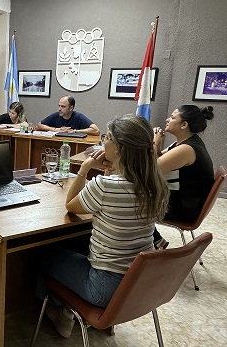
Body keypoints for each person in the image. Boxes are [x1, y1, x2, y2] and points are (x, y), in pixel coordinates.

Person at [36, 114, 169, 338]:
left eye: (107, 137)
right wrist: (113, 170)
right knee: (78, 243)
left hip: (104, 288)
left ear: (118, 148)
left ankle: (59, 313)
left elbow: (71, 205)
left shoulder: (105, 186)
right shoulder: (155, 185)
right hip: (138, 285)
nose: (103, 140)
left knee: (46, 254)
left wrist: (85, 168)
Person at [152, 105, 215, 249]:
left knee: (133, 201)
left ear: (184, 124)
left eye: (173, 117)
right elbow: (161, 159)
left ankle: (153, 240)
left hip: (183, 209)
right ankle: (156, 239)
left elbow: (153, 168)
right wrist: (158, 143)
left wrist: (155, 142)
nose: (168, 120)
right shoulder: (186, 142)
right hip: (187, 202)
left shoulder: (187, 149)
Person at [35, 96, 100, 135]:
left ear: (71, 108)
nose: (59, 109)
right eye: (59, 106)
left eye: (63, 106)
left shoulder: (78, 117)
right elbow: (39, 125)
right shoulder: (56, 115)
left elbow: (96, 130)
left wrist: (74, 131)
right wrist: (55, 129)